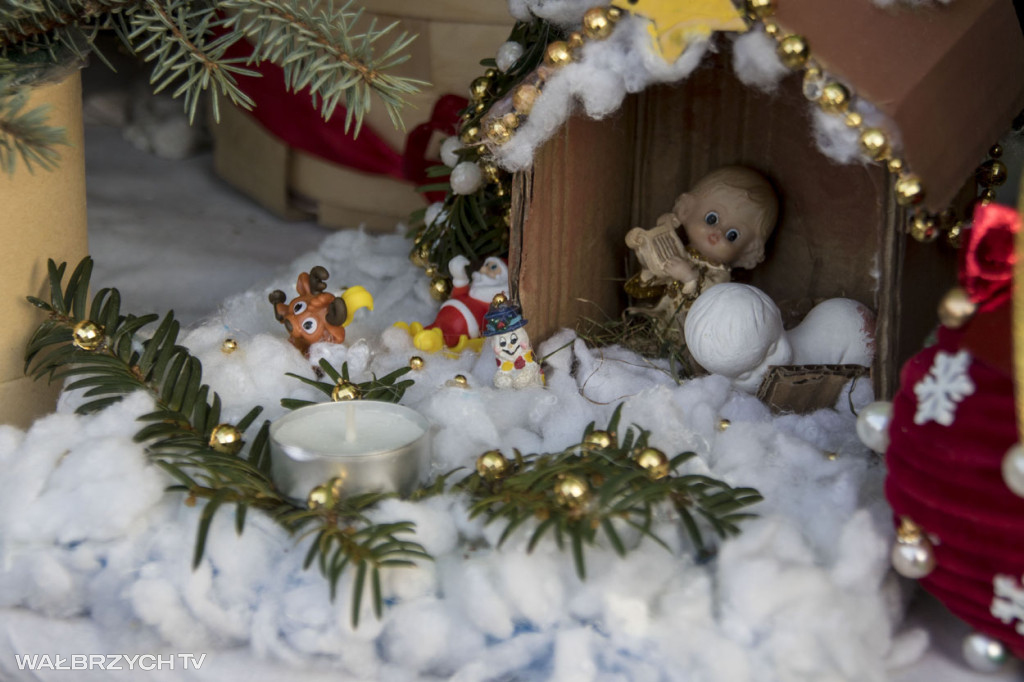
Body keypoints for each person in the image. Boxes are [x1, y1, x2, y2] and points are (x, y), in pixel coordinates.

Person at [625, 166, 778, 337]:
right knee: (648, 324)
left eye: (732, 235)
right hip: (667, 317)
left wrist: (690, 278)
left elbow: (712, 297)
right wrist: (649, 261)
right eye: (711, 219)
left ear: (747, 251)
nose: (717, 234)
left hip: (691, 331)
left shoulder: (720, 274)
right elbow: (660, 278)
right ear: (687, 210)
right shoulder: (681, 251)